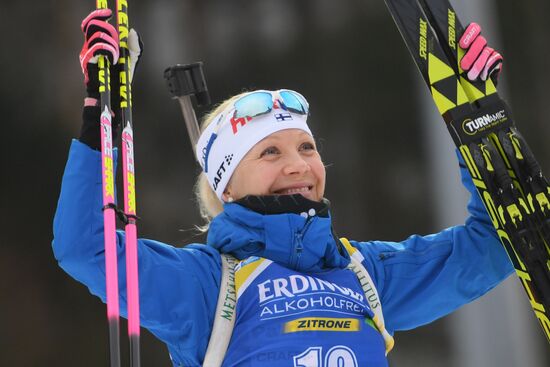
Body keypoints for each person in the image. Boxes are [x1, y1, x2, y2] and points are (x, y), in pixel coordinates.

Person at [53, 9, 511, 367]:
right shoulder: (207, 286)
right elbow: (86, 248)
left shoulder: (365, 274)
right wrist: (100, 116)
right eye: (269, 152)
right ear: (225, 188)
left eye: (307, 147)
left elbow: (499, 241)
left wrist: (475, 116)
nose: (299, 165)